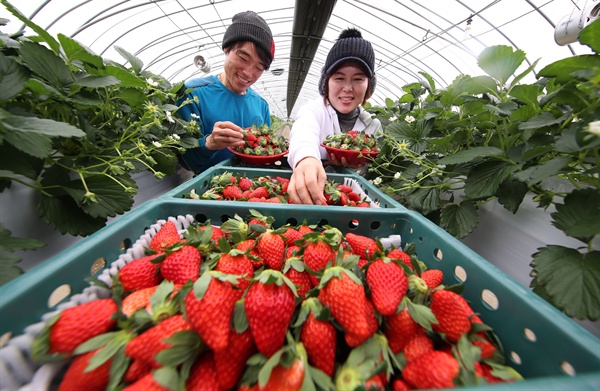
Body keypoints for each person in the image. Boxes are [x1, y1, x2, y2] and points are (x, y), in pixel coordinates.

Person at [287, 28, 382, 205]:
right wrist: (306, 159)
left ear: (369, 84)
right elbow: (303, 135)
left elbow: (374, 176)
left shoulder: (372, 125)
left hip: (351, 206)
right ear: (326, 82)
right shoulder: (314, 111)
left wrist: (360, 167)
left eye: (358, 79)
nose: (347, 88)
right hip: (313, 200)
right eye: (339, 78)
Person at [177, 11, 275, 173]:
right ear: (227, 48)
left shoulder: (261, 105)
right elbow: (186, 162)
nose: (248, 73)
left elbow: (266, 153)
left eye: (259, 68)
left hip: (252, 190)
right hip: (208, 192)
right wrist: (209, 144)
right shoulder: (193, 94)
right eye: (243, 59)